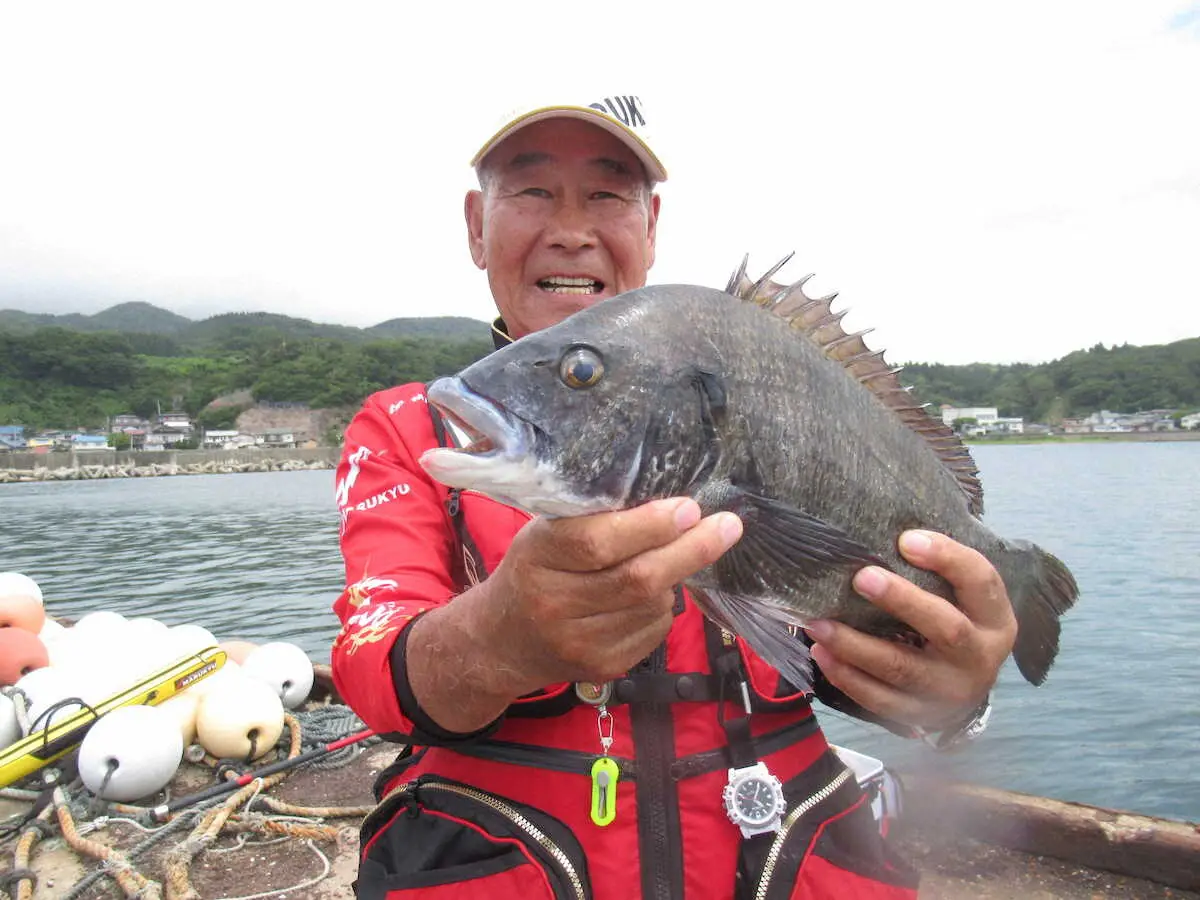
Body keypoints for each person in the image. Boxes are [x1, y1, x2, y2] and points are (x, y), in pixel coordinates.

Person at [331, 94, 1017, 900]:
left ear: (651, 225)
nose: (571, 229)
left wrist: (955, 697)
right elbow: (372, 667)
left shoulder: (737, 385)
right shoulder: (410, 429)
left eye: (607, 194)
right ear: (477, 225)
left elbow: (860, 659)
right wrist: (499, 637)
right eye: (533, 191)